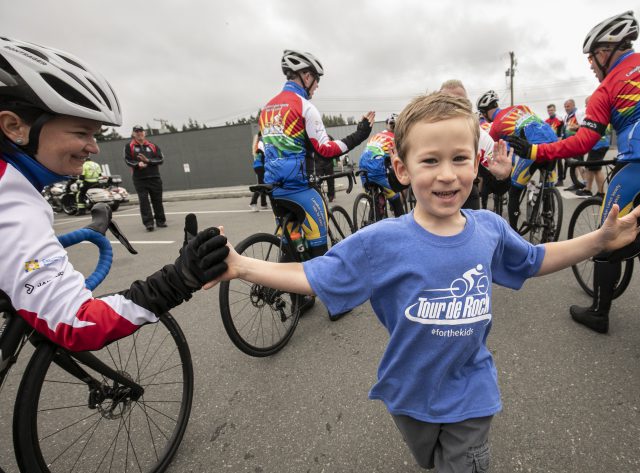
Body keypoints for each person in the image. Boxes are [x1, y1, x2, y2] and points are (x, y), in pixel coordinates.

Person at [213, 92, 640, 472]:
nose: (447, 174)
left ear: (476, 162)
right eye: (430, 161)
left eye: (460, 158)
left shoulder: (489, 229)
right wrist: (242, 266)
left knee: (460, 463)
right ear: (402, 169)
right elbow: (313, 274)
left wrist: (599, 240)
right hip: (407, 394)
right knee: (429, 458)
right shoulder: (382, 241)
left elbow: (537, 259)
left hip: (471, 394)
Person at [0, 37, 228, 352]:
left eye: (94, 135)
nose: (93, 148)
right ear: (14, 127)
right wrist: (179, 279)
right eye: (81, 133)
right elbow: (75, 322)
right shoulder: (10, 200)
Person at [505, 11, 640, 334]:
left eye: (591, 57)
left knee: (608, 236)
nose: (590, 65)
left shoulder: (608, 87)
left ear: (605, 52)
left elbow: (584, 141)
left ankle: (599, 313)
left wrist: (535, 151)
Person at [260, 50, 373, 318]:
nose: (317, 86)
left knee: (293, 243)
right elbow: (325, 149)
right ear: (306, 76)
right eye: (317, 80)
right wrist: (360, 134)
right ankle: (336, 305)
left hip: (276, 190)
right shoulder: (304, 107)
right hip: (301, 190)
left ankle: (300, 299)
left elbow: (265, 150)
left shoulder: (267, 109)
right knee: (319, 248)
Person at [487, 104, 560, 230]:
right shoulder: (521, 107)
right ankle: (549, 223)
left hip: (533, 149)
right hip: (553, 144)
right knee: (548, 186)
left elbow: (493, 150)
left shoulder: (495, 126)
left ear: (485, 113)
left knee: (514, 191)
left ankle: (513, 232)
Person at [439, 81, 507, 211]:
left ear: (468, 108)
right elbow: (400, 182)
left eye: (460, 103)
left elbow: (499, 189)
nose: (454, 108)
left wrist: (502, 177)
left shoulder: (480, 137)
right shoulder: (422, 131)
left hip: (466, 196)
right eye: (446, 103)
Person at [358, 113, 404, 217]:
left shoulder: (377, 135)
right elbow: (398, 159)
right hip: (376, 169)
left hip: (362, 167)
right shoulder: (395, 139)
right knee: (395, 196)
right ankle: (402, 222)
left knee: (374, 200)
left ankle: (373, 216)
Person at [124, 125, 166, 231]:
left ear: (145, 133)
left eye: (141, 131)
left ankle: (160, 221)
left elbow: (160, 159)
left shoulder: (153, 146)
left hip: (154, 177)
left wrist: (148, 161)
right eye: (136, 131)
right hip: (140, 179)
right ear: (133, 134)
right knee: (144, 201)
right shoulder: (129, 146)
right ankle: (149, 223)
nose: (139, 133)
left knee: (157, 200)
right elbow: (128, 160)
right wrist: (138, 164)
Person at [576, 95, 609, 198]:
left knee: (596, 168)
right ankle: (588, 189)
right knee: (590, 167)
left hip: (599, 143)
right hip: (596, 144)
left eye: (587, 103)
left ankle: (601, 193)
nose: (586, 106)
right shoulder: (598, 110)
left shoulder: (597, 111)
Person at [561, 98, 586, 192]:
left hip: (578, 142)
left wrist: (575, 127)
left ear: (573, 105)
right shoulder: (566, 116)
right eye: (565, 107)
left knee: (579, 164)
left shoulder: (578, 113)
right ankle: (575, 183)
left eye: (568, 106)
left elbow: (584, 126)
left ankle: (585, 183)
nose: (566, 108)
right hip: (570, 143)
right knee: (573, 164)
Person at [544, 104, 565, 186]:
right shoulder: (546, 121)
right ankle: (550, 179)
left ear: (555, 110)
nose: (550, 112)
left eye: (551, 110)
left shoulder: (559, 120)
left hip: (558, 143)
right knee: (550, 163)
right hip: (549, 144)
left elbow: (560, 133)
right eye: (549, 110)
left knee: (559, 162)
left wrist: (559, 143)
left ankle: (560, 180)